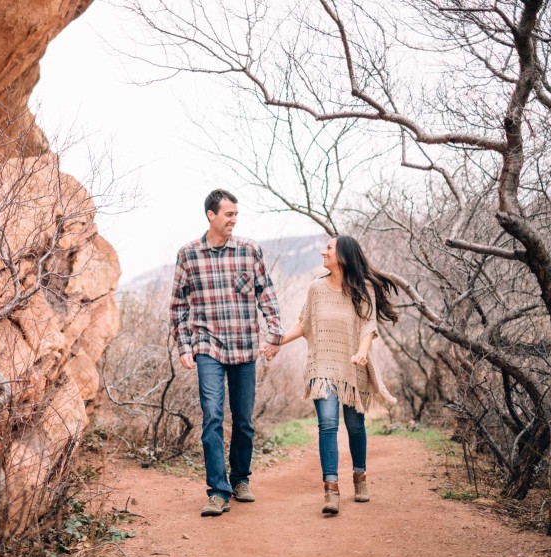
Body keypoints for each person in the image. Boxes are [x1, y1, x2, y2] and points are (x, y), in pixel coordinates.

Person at [170, 189, 283, 517]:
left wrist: (274, 334)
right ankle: (217, 491)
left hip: (245, 345)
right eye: (229, 214)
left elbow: (267, 295)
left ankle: (240, 480)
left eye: (236, 214)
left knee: (244, 421)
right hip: (208, 347)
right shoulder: (188, 255)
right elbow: (178, 305)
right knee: (213, 418)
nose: (234, 219)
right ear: (211, 215)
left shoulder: (249, 250)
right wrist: (183, 346)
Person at [273, 235, 398, 515]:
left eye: (328, 248)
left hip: (353, 369)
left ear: (342, 254)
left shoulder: (364, 288)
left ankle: (360, 478)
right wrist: (276, 343)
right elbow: (304, 324)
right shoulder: (316, 288)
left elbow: (368, 326)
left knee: (355, 426)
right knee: (327, 424)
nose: (323, 252)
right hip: (322, 367)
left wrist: (362, 352)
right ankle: (331, 490)